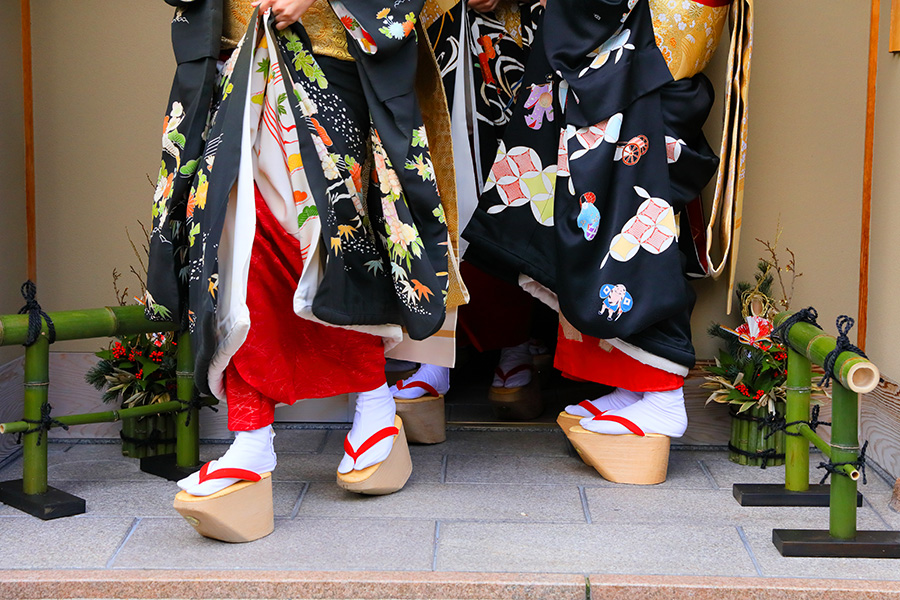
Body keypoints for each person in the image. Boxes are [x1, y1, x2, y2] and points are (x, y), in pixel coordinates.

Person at [146, 0, 461, 501]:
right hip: (239, 55)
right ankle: (250, 438)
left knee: (328, 242)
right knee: (238, 250)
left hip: (327, 56)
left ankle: (375, 405)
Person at [462, 0, 729, 460]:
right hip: (642, 30)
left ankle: (663, 396)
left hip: (640, 33)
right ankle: (636, 384)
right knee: (608, 208)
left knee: (630, 215)